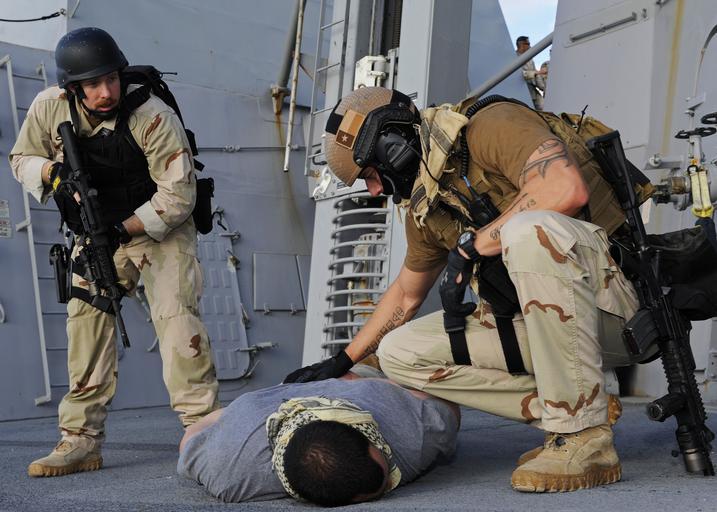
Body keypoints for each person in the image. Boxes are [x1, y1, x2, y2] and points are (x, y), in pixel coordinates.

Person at [284, 86, 649, 493]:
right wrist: (343, 358)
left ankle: (584, 436)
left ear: (392, 146)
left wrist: (473, 246)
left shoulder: (490, 125)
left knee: (527, 231)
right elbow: (406, 295)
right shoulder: (427, 204)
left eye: (370, 174)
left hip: (613, 310)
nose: (374, 190)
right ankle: (575, 406)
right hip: (541, 328)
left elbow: (564, 188)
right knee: (398, 352)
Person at [9, 27, 219, 477]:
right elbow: (20, 158)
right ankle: (80, 440)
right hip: (96, 231)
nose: (106, 92)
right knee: (85, 325)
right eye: (93, 84)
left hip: (160, 229)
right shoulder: (49, 107)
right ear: (73, 88)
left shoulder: (152, 115)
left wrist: (121, 228)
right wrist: (53, 174)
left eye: (111, 79)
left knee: (177, 321)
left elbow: (179, 195)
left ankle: (203, 430)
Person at [177, 368, 459, 505]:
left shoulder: (229, 473)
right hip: (359, 383)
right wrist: (233, 415)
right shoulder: (414, 438)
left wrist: (227, 416)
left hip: (351, 381)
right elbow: (448, 404)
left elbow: (191, 435)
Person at [516, 36, 546, 110]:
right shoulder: (513, 57)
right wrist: (538, 72)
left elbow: (536, 74)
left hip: (533, 91)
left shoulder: (530, 59)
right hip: (521, 91)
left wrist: (544, 88)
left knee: (544, 107)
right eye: (528, 44)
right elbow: (520, 74)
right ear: (521, 44)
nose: (530, 46)